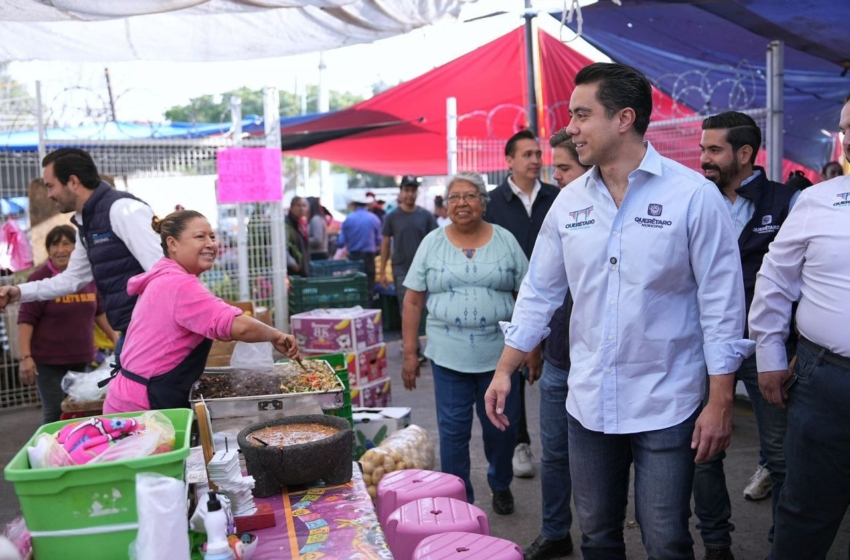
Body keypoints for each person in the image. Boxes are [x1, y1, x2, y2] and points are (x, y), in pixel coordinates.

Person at [484, 62, 752, 559]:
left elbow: (722, 307)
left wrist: (720, 402)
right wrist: (505, 370)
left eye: (582, 115)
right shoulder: (568, 204)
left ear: (624, 118)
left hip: (667, 403)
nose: (570, 130)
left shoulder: (692, 196)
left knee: (667, 538)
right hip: (588, 403)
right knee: (598, 536)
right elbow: (539, 292)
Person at [694, 111, 800, 560]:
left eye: (713, 150)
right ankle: (717, 544)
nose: (704, 159)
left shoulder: (788, 201)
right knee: (703, 448)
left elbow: (803, 281)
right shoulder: (695, 199)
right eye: (702, 149)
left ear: (744, 153)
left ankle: (785, 547)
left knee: (781, 455)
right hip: (704, 345)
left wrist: (796, 351)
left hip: (766, 347)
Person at [748, 94, 850, 560]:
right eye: (847, 128)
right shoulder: (815, 201)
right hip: (826, 381)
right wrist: (769, 356)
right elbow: (774, 282)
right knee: (805, 513)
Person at [402, 171, 528, 516]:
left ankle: (500, 483)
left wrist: (532, 347)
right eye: (454, 196)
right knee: (453, 433)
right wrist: (410, 353)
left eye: (470, 195)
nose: (462, 203)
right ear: (446, 204)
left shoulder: (505, 240)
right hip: (447, 356)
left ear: (483, 203)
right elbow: (413, 301)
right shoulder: (432, 242)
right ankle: (459, 498)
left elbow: (528, 296)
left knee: (501, 429)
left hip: (499, 357)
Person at [103, 210, 301, 413]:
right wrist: (276, 335)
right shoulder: (178, 284)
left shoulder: (164, 276)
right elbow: (237, 327)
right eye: (200, 237)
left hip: (130, 395)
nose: (210, 244)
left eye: (212, 237)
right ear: (172, 244)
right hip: (143, 404)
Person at [0, 148, 161, 363]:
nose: (48, 195)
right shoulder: (87, 222)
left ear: (73, 182)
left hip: (154, 334)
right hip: (132, 331)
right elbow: (72, 279)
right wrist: (19, 292)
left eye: (51, 186)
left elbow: (163, 270)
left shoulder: (122, 210)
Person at [524, 129, 590, 560]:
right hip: (558, 361)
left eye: (564, 168)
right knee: (554, 457)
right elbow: (537, 290)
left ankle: (603, 535)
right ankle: (555, 531)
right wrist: (532, 346)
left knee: (599, 462)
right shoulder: (561, 210)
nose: (556, 178)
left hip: (596, 364)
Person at [483, 129, 559, 479]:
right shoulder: (493, 204)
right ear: (509, 160)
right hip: (512, 301)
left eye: (537, 153)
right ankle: (521, 441)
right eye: (526, 154)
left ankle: (564, 445)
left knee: (552, 371)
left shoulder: (559, 197)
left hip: (558, 298)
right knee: (514, 372)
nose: (535, 160)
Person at [17, 225, 118, 424]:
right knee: (55, 414)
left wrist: (117, 339)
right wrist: (25, 357)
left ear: (77, 248)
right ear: (48, 250)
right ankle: (50, 454)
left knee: (83, 411)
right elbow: (25, 321)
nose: (60, 250)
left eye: (66, 244)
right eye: (54, 245)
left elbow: (99, 312)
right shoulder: (39, 278)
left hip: (82, 359)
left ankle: (80, 452)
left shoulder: (87, 278)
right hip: (48, 364)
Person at [379, 174, 437, 361]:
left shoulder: (426, 216)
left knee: (427, 310)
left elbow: (436, 242)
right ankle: (412, 349)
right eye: (407, 190)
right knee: (407, 308)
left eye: (413, 190)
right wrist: (382, 271)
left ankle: (425, 348)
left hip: (425, 270)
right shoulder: (392, 217)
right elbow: (386, 243)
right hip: (401, 270)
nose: (410, 194)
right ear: (401, 192)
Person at [340, 197, 382, 297]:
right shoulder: (374, 218)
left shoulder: (349, 219)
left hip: (353, 257)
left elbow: (341, 242)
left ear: (355, 205)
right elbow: (379, 241)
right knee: (369, 285)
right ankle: (369, 306)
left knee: (355, 285)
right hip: (369, 257)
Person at [285, 196, 310, 277]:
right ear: (291, 208)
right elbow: (283, 247)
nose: (301, 209)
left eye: (304, 205)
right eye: (298, 205)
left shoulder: (301, 224)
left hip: (301, 269)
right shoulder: (287, 225)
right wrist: (293, 264)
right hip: (292, 271)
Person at [307, 197, 329, 261]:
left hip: (317, 254)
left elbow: (317, 240)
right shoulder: (315, 219)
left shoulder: (316, 220)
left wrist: (303, 241)